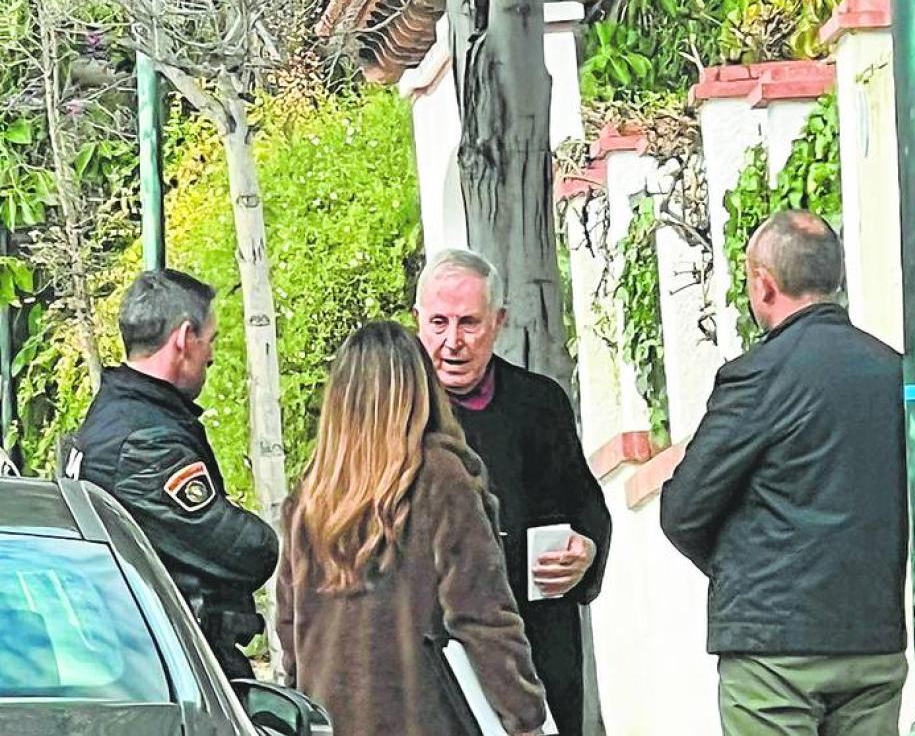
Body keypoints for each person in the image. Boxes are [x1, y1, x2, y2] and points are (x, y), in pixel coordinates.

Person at [660, 210, 910, 736]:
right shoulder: (895, 372)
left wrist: (742, 572)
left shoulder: (757, 377)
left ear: (764, 284)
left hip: (774, 654)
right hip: (873, 639)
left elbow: (683, 509)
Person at [276, 321, 546, 736]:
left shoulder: (309, 499)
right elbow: (483, 617)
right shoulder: (441, 479)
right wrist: (525, 716)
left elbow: (292, 636)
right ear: (419, 390)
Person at [415, 248, 612, 736]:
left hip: (536, 649)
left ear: (499, 322)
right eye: (438, 323)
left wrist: (586, 549)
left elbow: (587, 506)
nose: (452, 342)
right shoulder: (397, 414)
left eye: (469, 323)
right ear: (417, 320)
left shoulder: (539, 403)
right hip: (435, 658)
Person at [69, 269, 277, 678]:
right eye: (210, 340)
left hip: (140, 660)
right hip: (170, 671)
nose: (213, 355)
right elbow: (248, 550)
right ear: (184, 339)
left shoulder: (119, 415)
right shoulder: (146, 443)